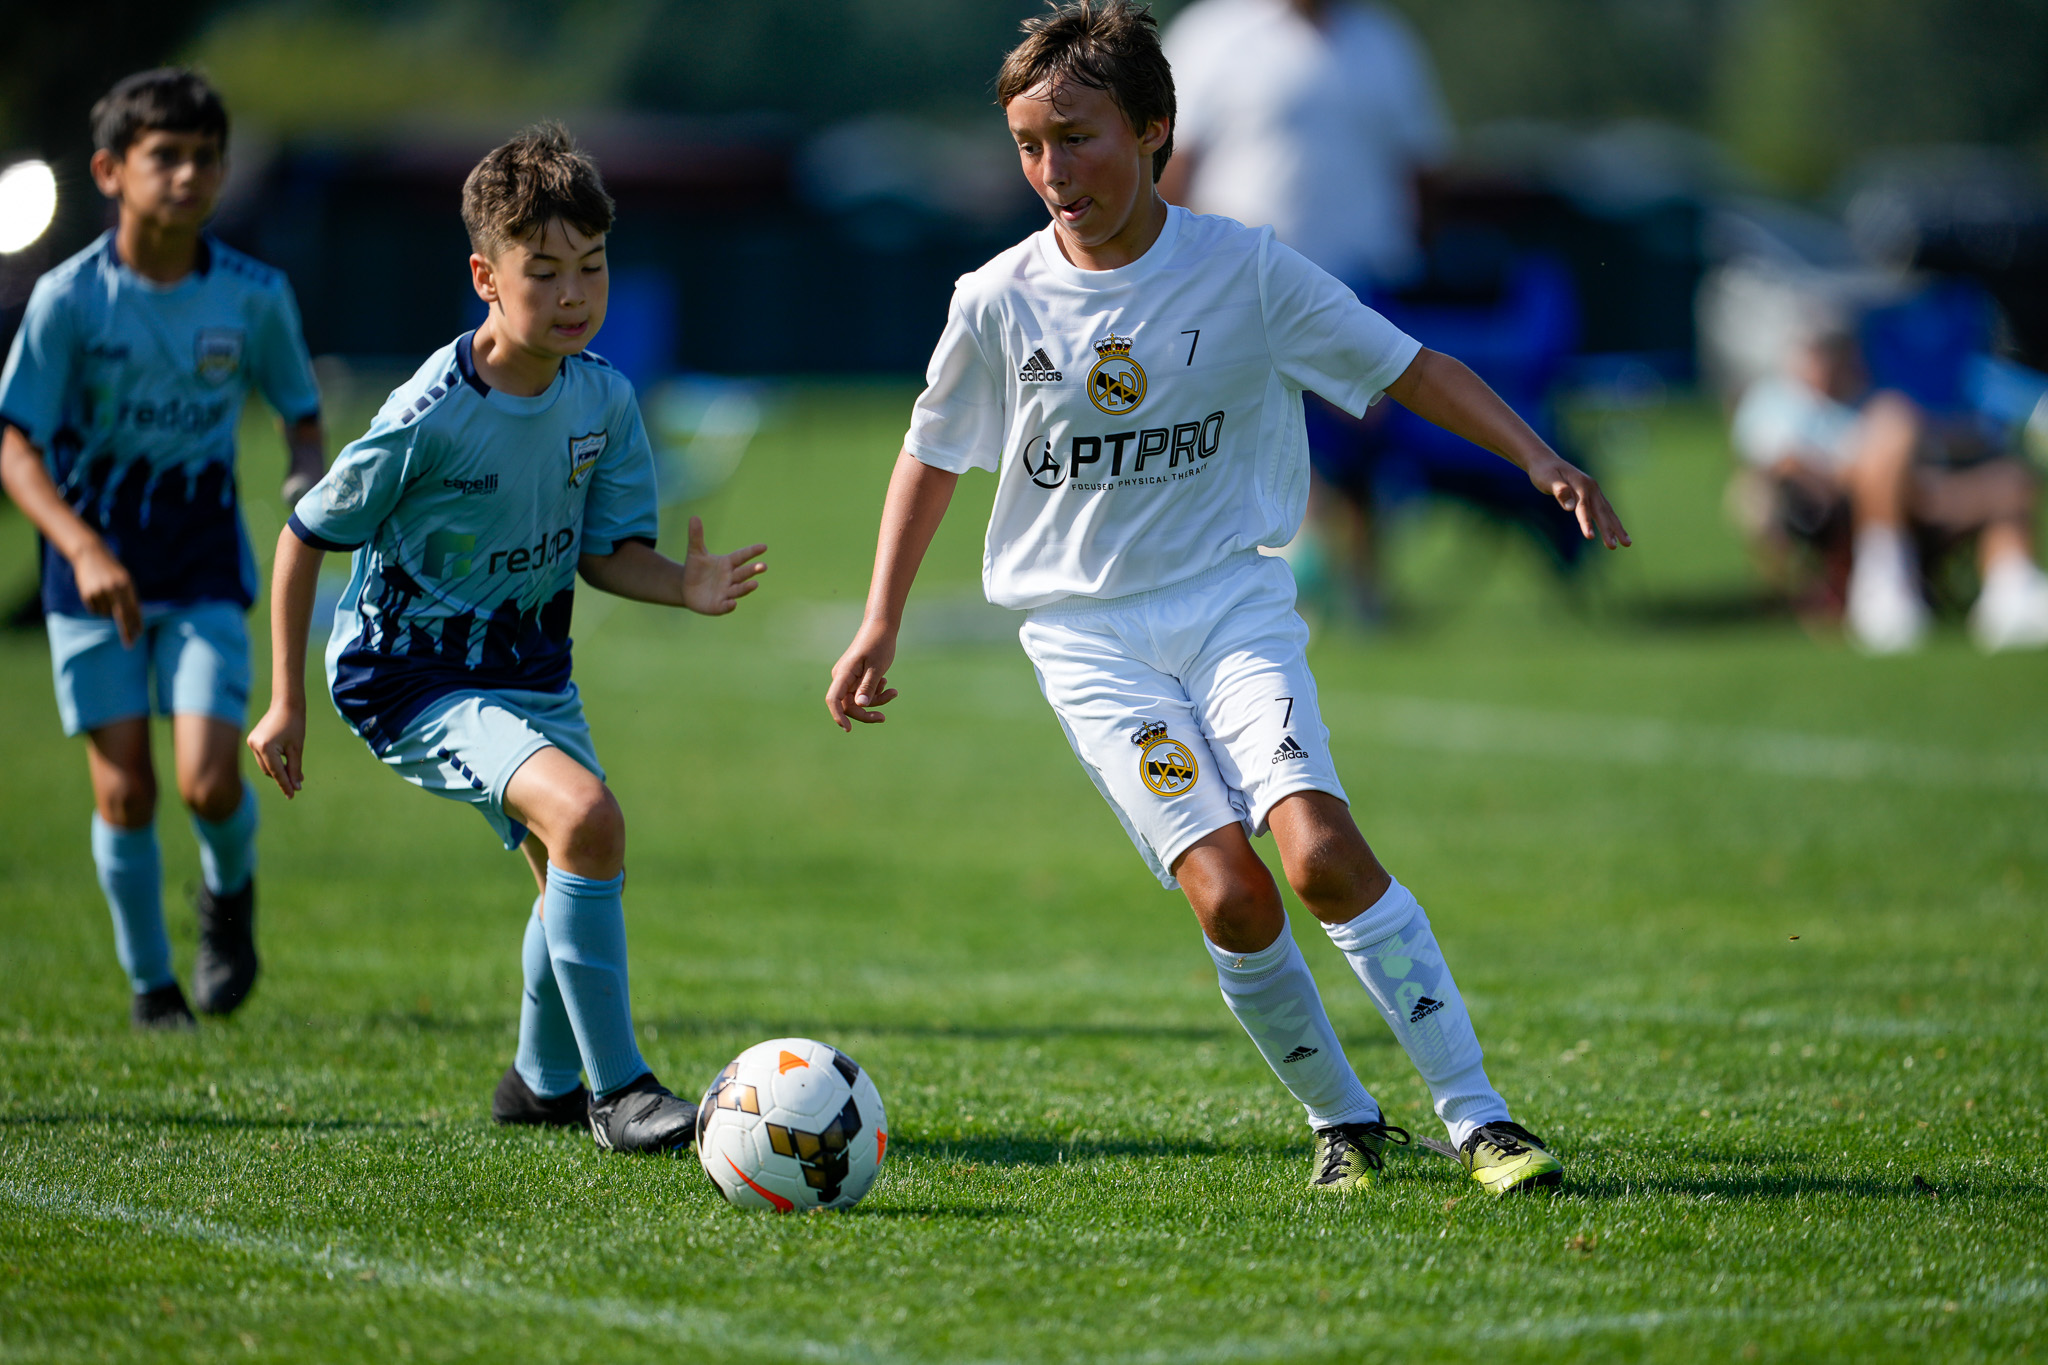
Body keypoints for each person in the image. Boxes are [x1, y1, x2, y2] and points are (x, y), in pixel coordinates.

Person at [825, 0, 1628, 1195]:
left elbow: (1409, 366)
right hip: (1089, 645)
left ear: (1154, 129)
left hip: (1230, 609)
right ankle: (1341, 1123)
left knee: (1317, 855)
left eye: (1079, 138)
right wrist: (879, 617)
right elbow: (930, 453)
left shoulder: (1245, 270)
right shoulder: (996, 299)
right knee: (1232, 893)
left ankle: (1479, 1120)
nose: (1052, 171)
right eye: (1030, 146)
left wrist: (1535, 455)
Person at [246, 125, 767, 1153]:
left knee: (564, 862)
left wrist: (684, 585)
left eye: (592, 267)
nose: (574, 294)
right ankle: (618, 1094)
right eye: (545, 272)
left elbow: (608, 554)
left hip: (529, 669)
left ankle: (536, 1085)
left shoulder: (605, 399)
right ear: (485, 276)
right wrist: (284, 701)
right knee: (588, 819)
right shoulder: (427, 414)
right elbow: (304, 534)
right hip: (409, 677)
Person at [0, 69, 325, 1030]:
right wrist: (79, 546)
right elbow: (14, 441)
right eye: (166, 157)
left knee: (208, 779)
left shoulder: (256, 296)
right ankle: (152, 987)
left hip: (202, 568)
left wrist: (306, 479)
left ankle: (230, 899)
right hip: (88, 579)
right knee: (127, 790)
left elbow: (301, 419)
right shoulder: (68, 301)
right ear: (110, 170)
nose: (189, 174)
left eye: (206, 158)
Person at [1160, 0, 1454, 620]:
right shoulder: (1213, 35)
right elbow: (1173, 164)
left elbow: (1421, 165)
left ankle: (1362, 584)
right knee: (1248, 435)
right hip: (1243, 285)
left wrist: (1418, 259)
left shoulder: (1383, 41)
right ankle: (1245, 582)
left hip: (1360, 281)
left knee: (1363, 438)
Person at [1732, 320, 2048, 653]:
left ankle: (2011, 589)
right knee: (1893, 423)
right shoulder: (1775, 403)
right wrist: (1865, 465)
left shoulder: (1869, 395)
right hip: (1831, 511)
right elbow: (1783, 467)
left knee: (2006, 478)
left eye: (1837, 353)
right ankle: (1883, 587)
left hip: (1919, 496)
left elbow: (1934, 439)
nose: (1829, 363)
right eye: (1819, 354)